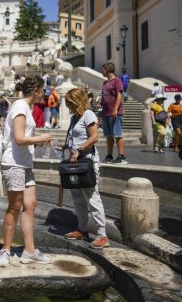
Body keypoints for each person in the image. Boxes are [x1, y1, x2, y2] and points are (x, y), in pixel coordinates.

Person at [0, 75, 53, 268]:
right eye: (43, 89)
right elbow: (20, 138)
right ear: (36, 90)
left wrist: (38, 141)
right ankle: (5, 249)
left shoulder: (25, 108)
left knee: (30, 205)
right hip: (14, 164)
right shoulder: (20, 107)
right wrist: (41, 138)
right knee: (14, 207)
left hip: (24, 163)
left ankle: (29, 251)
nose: (44, 93)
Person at [61, 88, 110, 249]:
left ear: (78, 101)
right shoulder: (75, 117)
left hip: (87, 161)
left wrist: (79, 149)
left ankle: (102, 235)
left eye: (71, 103)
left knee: (92, 197)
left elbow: (94, 137)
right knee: (78, 198)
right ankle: (82, 229)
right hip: (75, 162)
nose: (69, 106)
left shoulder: (88, 114)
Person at [100, 62, 127, 164]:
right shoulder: (105, 83)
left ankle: (121, 156)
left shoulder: (117, 81)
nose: (102, 71)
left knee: (117, 134)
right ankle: (109, 155)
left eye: (103, 69)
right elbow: (105, 96)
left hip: (115, 113)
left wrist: (115, 109)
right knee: (109, 135)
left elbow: (119, 96)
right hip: (106, 113)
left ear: (106, 69)